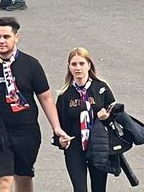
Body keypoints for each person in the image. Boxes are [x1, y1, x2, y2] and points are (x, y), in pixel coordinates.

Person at [0, 17, 71, 192]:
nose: (1, 41)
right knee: (2, 181)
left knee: (23, 179)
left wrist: (57, 127)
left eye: (6, 36)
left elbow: (45, 98)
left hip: (26, 132)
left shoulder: (31, 65)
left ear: (16, 37)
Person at [56, 48, 117, 192]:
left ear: (89, 65)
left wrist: (106, 118)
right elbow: (59, 125)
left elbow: (116, 118)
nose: (78, 68)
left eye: (81, 64)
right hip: (75, 148)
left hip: (98, 146)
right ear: (69, 67)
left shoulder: (102, 88)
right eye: (74, 64)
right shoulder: (65, 95)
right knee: (79, 189)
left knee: (99, 188)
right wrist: (60, 140)